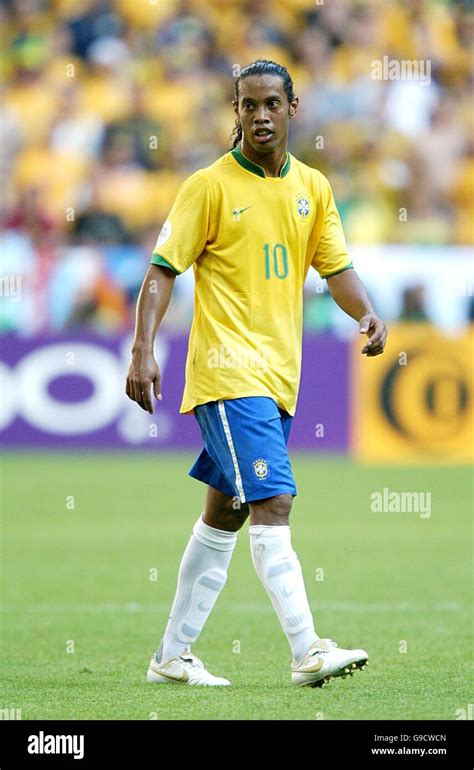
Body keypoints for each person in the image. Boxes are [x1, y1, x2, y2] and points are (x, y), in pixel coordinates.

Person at [126, 60, 387, 688]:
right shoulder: (209, 186)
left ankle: (171, 656)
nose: (261, 116)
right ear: (235, 112)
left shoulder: (313, 188)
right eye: (249, 106)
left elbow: (335, 268)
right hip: (227, 373)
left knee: (224, 515)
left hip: (278, 378)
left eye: (272, 103)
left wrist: (368, 310)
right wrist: (142, 348)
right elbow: (163, 269)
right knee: (274, 499)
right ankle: (307, 649)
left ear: (293, 108)